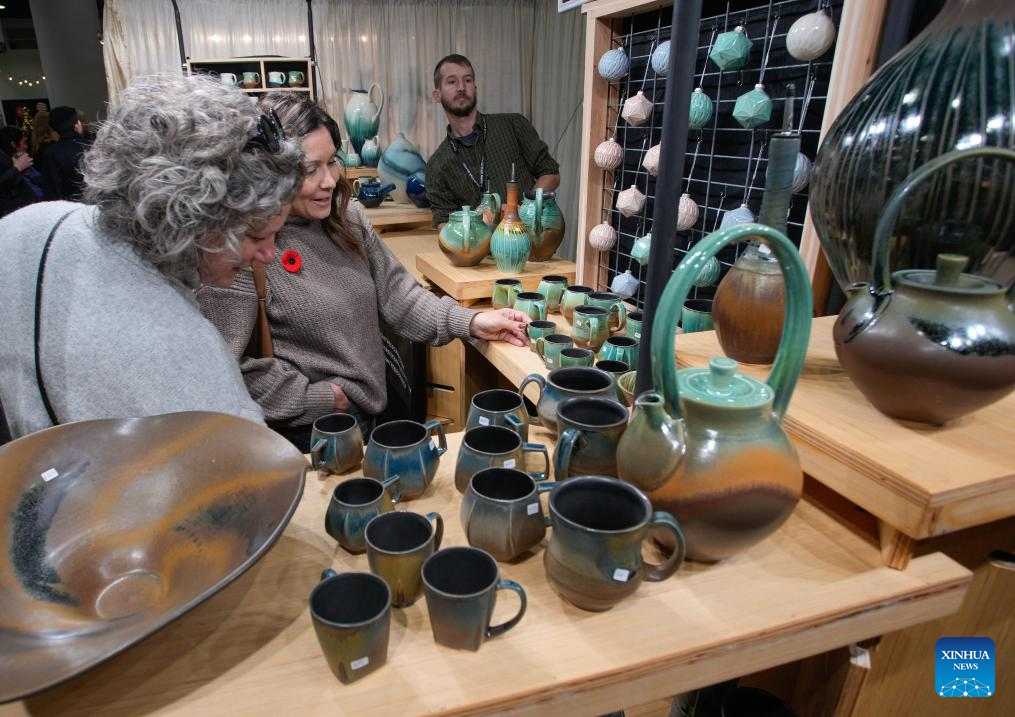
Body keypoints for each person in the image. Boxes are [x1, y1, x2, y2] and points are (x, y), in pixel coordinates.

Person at [198, 93, 531, 452]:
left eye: (333, 162)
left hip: (368, 415)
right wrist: (322, 398)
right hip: (309, 433)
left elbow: (400, 297)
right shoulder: (247, 246)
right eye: (311, 170)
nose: (329, 180)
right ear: (271, 172)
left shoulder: (347, 219)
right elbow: (223, 370)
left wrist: (472, 322)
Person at [0, 75, 302, 440]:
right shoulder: (178, 343)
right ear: (189, 216)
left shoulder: (27, 226)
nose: (269, 254)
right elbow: (242, 465)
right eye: (255, 235)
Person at [425, 53, 560, 229]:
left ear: (475, 87)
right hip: (480, 254)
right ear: (437, 95)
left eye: (467, 80)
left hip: (529, 245)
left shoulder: (513, 125)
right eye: (451, 82)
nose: (461, 87)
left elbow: (550, 173)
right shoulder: (437, 165)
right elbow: (443, 221)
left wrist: (522, 210)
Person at [36, 105, 88, 200]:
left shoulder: (51, 153)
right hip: (95, 204)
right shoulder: (90, 145)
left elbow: (51, 190)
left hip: (69, 207)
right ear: (77, 123)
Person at [0, 126, 39, 217]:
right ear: (13, 144)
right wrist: (17, 168)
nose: (26, 146)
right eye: (23, 142)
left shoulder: (11, 158)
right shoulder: (6, 161)